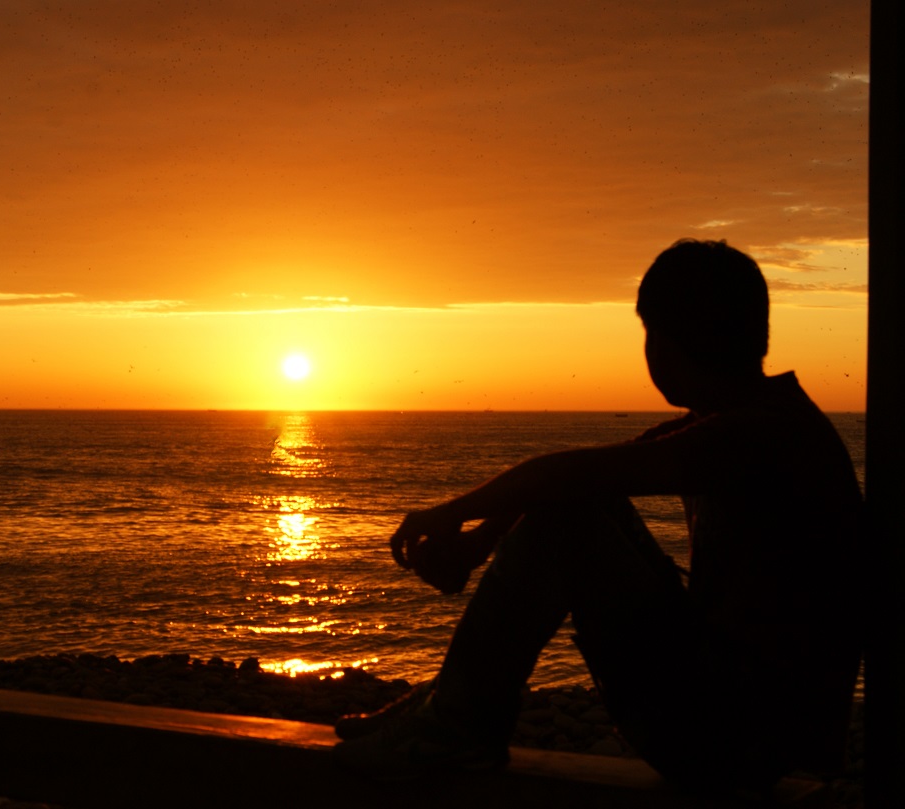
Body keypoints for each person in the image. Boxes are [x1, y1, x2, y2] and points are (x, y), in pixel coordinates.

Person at [334, 239, 863, 795]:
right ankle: (452, 700)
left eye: (649, 334)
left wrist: (452, 513)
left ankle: (460, 722)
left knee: (573, 521)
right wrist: (475, 546)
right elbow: (586, 481)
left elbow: (569, 479)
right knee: (585, 503)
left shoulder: (758, 435)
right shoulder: (753, 419)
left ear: (671, 339)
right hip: (739, 720)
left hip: (736, 742)